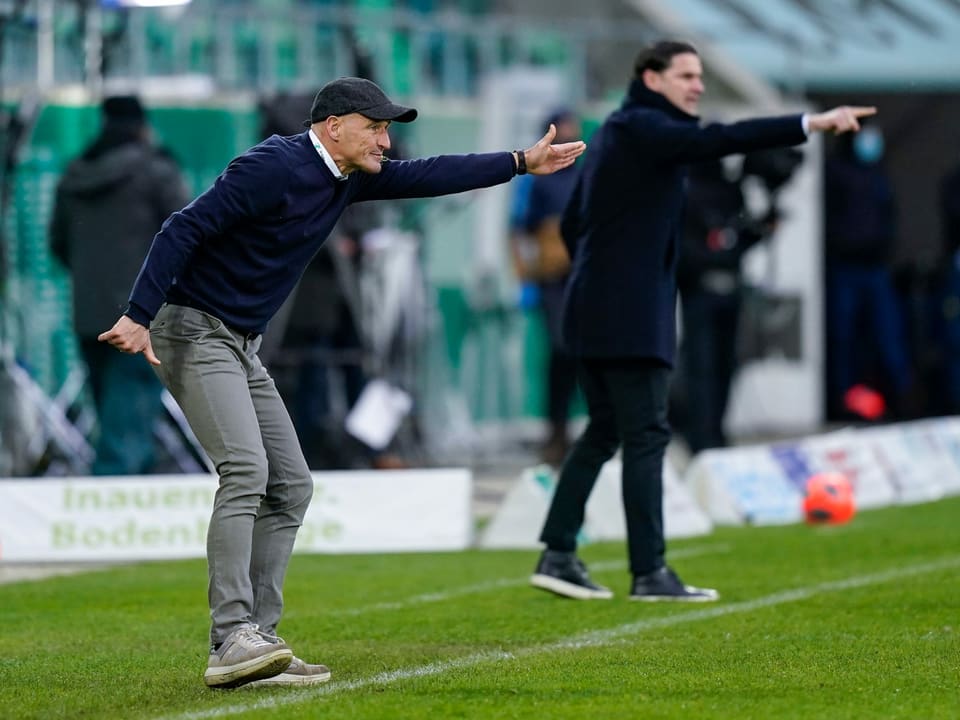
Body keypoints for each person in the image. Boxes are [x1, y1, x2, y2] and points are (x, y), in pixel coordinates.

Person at [97, 76, 585, 689]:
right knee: (246, 470)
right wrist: (139, 316)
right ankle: (231, 639)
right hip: (193, 330)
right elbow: (181, 228)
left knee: (293, 485)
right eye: (376, 126)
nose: (386, 139)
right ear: (335, 127)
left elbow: (432, 173)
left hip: (241, 344)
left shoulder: (348, 177)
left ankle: (261, 643)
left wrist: (519, 162)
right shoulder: (273, 166)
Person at [529, 40, 874, 602]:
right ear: (651, 77)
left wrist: (603, 268)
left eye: (700, 76)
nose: (698, 86)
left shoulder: (622, 133)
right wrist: (811, 122)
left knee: (605, 431)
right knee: (646, 433)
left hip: (595, 306)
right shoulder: (643, 126)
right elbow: (718, 138)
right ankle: (649, 572)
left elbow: (573, 224)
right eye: (687, 75)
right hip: (626, 311)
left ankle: (559, 552)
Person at [50, 95, 191, 475]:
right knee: (127, 430)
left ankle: (128, 502)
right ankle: (110, 517)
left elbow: (58, 245)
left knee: (115, 419)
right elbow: (188, 235)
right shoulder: (156, 172)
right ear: (142, 127)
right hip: (142, 315)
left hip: (88, 314)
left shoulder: (74, 175)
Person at [674, 157, 772, 455]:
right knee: (701, 367)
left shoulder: (732, 192)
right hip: (699, 293)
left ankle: (717, 432)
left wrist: (760, 229)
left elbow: (742, 237)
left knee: (726, 365)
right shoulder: (686, 192)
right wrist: (719, 257)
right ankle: (700, 438)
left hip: (731, 293)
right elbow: (684, 250)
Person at [823, 125, 914, 420]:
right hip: (846, 267)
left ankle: (901, 401)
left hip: (876, 267)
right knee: (843, 338)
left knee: (888, 336)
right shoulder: (836, 171)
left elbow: (889, 217)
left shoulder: (878, 174)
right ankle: (843, 403)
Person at [509, 108, 582, 466]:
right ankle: (556, 431)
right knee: (561, 350)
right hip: (552, 279)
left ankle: (574, 431)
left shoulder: (584, 176)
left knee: (582, 353)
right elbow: (519, 231)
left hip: (583, 277)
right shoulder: (535, 180)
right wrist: (524, 275)